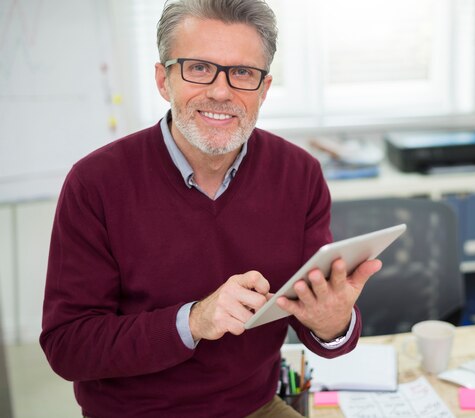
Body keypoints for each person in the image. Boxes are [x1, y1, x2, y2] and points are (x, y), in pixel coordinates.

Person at [39, 0, 382, 417]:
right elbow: (68, 347)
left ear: (264, 89)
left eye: (242, 73)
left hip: (254, 406)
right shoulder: (94, 183)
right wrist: (195, 321)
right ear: (163, 80)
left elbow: (313, 319)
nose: (221, 91)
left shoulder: (299, 173)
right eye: (198, 68)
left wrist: (332, 324)